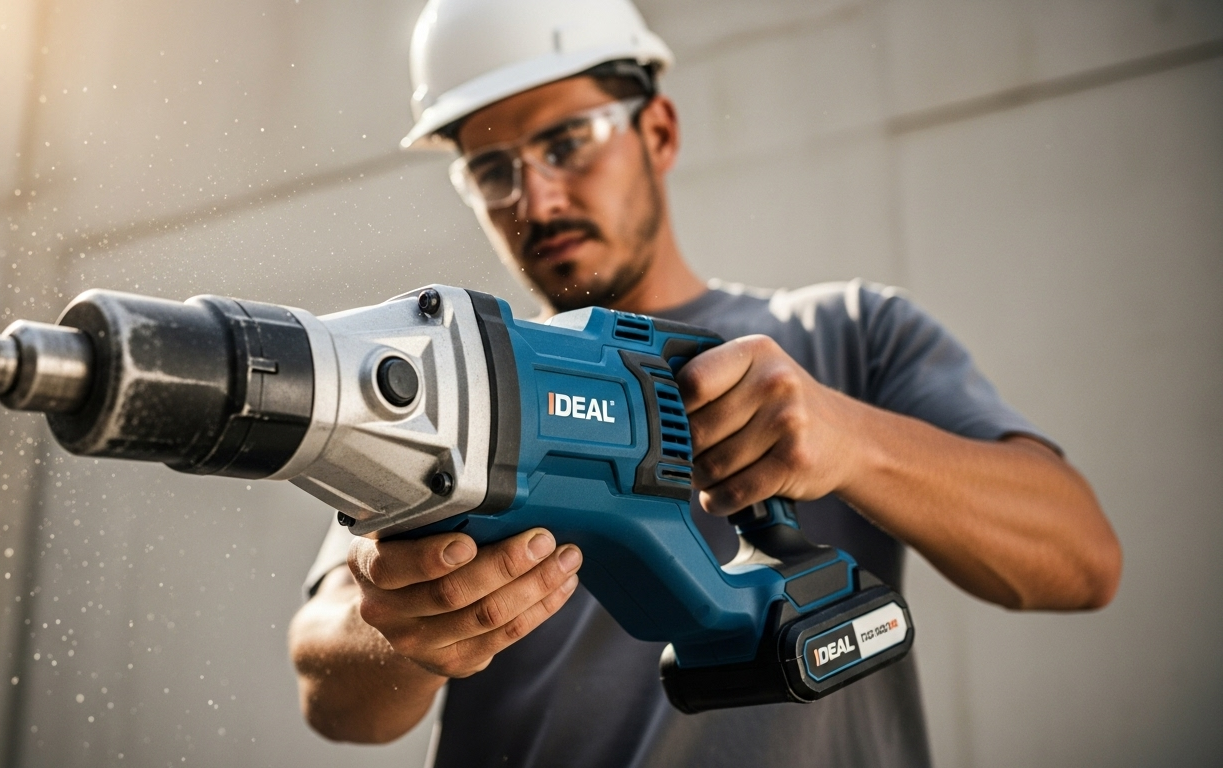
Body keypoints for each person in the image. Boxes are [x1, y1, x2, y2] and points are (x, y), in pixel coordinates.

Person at [288, 1, 1122, 765]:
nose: (535, 199)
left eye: (566, 142)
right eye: (492, 169)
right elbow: (331, 692)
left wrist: (854, 441)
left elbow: (1080, 561)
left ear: (658, 130)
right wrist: (399, 631)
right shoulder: (464, 384)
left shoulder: (847, 338)